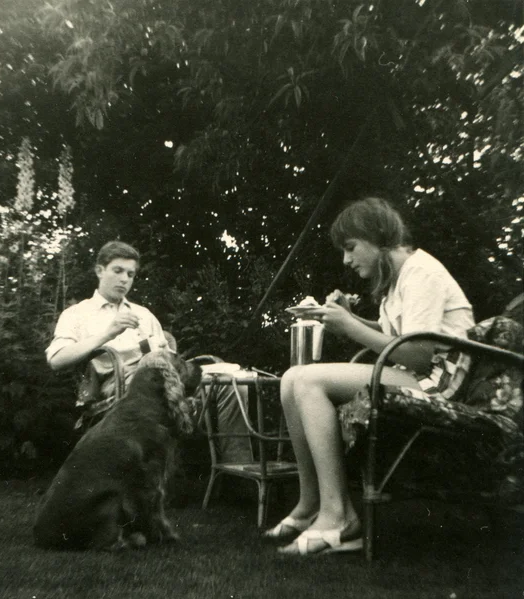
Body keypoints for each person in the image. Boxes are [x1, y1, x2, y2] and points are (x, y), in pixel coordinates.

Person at [264, 197, 475, 556]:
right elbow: (394, 334)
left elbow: (419, 356)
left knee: (310, 380)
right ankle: (310, 503)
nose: (346, 260)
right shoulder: (395, 279)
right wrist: (352, 318)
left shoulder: (422, 272)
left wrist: (349, 329)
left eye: (350, 248)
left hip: (440, 383)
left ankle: (338, 518)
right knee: (291, 378)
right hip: (412, 373)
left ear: (378, 238)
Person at [46, 240, 252, 462]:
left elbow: (168, 356)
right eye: (118, 271)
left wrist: (165, 353)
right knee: (155, 359)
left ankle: (238, 469)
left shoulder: (143, 314)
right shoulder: (78, 313)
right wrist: (109, 333)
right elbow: (56, 359)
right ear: (99, 270)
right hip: (121, 387)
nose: (125, 279)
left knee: (233, 381)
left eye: (130, 274)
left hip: (166, 379)